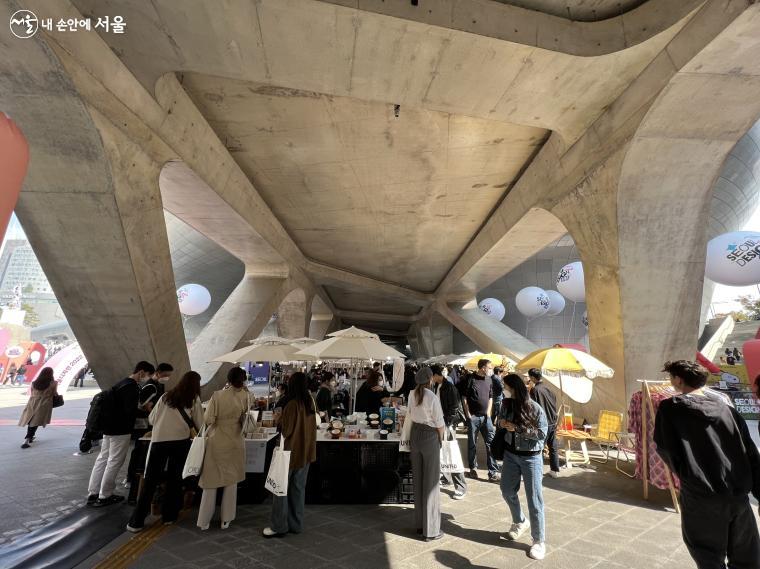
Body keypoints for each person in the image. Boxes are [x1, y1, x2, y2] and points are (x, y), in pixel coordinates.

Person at [654, 360, 760, 568]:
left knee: (708, 557)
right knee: (747, 559)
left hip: (701, 497)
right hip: (738, 496)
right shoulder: (727, 409)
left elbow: (665, 449)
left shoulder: (670, 409)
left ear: (677, 379)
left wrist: (688, 476)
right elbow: (750, 452)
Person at [127, 371, 203, 532]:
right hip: (180, 443)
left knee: (150, 480)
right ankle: (169, 516)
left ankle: (136, 521)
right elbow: (200, 423)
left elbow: (152, 419)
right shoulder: (193, 399)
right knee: (175, 479)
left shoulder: (165, 397)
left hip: (158, 442)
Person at [87, 361, 154, 507]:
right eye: (147, 375)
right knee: (114, 461)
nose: (147, 378)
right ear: (141, 372)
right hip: (120, 429)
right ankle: (105, 495)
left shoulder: (122, 383)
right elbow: (129, 411)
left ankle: (93, 492)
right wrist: (145, 410)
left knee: (103, 458)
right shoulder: (131, 387)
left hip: (108, 427)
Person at [498, 373, 549, 561]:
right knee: (506, 490)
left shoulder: (535, 408)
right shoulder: (506, 404)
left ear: (514, 388)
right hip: (511, 455)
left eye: (506, 387)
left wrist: (517, 428)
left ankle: (539, 540)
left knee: (534, 499)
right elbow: (500, 421)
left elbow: (542, 434)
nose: (504, 390)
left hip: (531, 458)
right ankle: (520, 521)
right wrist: (503, 423)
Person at [263, 371, 317, 538]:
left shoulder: (292, 404)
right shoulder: (310, 402)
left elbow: (287, 430)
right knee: (298, 489)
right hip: (306, 453)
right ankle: (296, 524)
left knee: (280, 489)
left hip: (290, 454)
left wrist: (279, 418)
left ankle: (279, 526)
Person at [197, 367, 250, 530]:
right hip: (236, 439)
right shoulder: (247, 395)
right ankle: (226, 519)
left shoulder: (218, 395)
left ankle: (204, 520)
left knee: (211, 480)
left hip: (218, 438)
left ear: (228, 378)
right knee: (231, 480)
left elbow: (209, 418)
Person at [408, 367, 445, 541]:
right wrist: (441, 440)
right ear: (430, 379)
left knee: (418, 479)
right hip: (430, 436)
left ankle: (419, 525)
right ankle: (431, 530)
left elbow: (410, 414)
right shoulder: (432, 397)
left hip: (415, 434)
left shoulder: (411, 394)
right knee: (431, 483)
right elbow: (440, 423)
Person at [460, 359, 499, 481]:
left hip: (486, 418)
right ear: (483, 368)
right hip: (474, 417)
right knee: (472, 444)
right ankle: (473, 469)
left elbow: (491, 396)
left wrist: (488, 413)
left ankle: (492, 472)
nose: (491, 369)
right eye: (489, 367)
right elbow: (464, 397)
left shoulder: (489, 379)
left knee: (491, 443)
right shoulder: (470, 379)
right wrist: (468, 415)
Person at [431, 364, 466, 500]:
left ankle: (461, 486)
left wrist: (447, 424)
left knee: (452, 454)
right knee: (443, 452)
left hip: (447, 425)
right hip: (440, 424)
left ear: (436, 375)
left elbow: (454, 408)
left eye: (431, 376)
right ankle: (446, 478)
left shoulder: (449, 387)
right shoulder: (436, 386)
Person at [528, 368, 559, 478]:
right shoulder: (549, 388)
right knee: (553, 447)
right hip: (553, 421)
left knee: (539, 447)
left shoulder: (535, 390)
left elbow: (533, 408)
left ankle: (538, 470)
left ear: (532, 377)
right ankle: (554, 471)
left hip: (543, 423)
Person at [18, 367, 58, 448]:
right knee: (34, 422)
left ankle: (30, 437)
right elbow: (54, 393)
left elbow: (32, 393)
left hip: (32, 403)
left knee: (32, 420)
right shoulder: (53, 383)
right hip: (44, 404)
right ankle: (27, 440)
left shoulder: (34, 383)